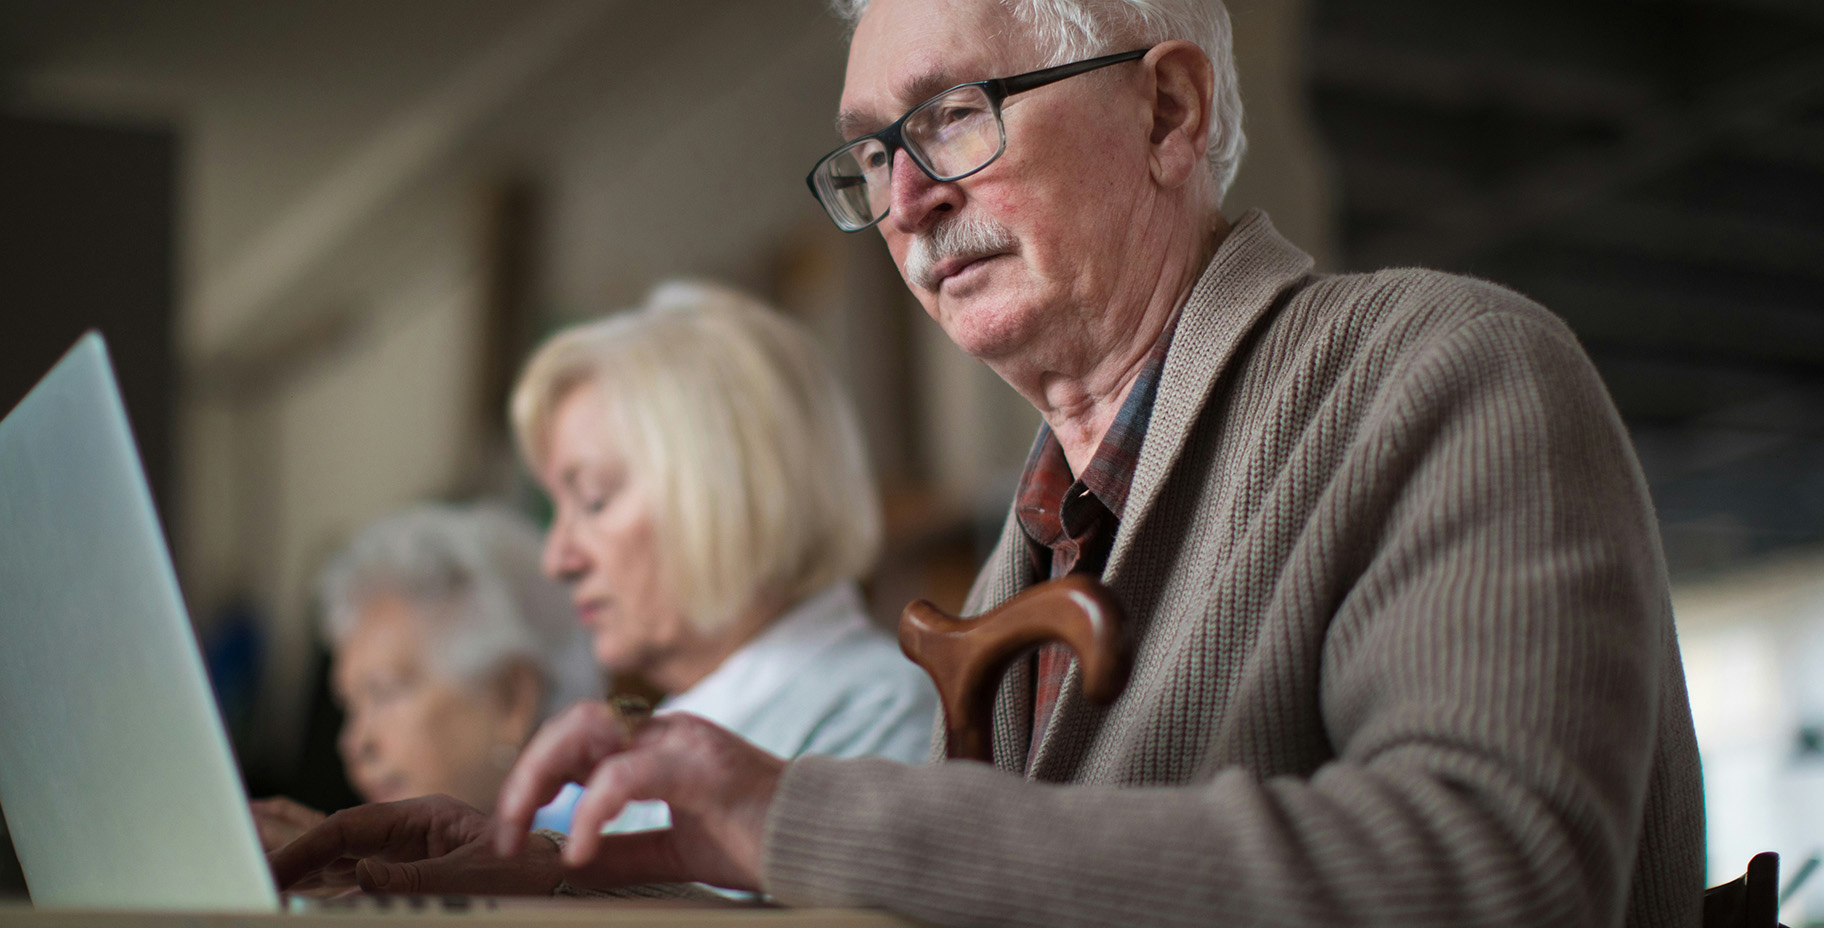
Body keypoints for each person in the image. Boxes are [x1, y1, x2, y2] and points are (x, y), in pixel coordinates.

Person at [271, 0, 1706, 924]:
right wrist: (547, 869)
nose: (902, 202)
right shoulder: (1044, 525)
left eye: (953, 116)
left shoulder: (1447, 368)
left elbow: (1493, 875)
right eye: (869, 154)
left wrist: (788, 813)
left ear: (1168, 113)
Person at [507, 281, 938, 832]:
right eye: (556, 509)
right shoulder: (657, 739)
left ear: (724, 492)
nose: (556, 559)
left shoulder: (878, 719)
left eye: (593, 499)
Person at [250, 504, 599, 851]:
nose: (355, 744)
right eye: (350, 708)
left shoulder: (607, 840)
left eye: (384, 693)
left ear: (512, 700)